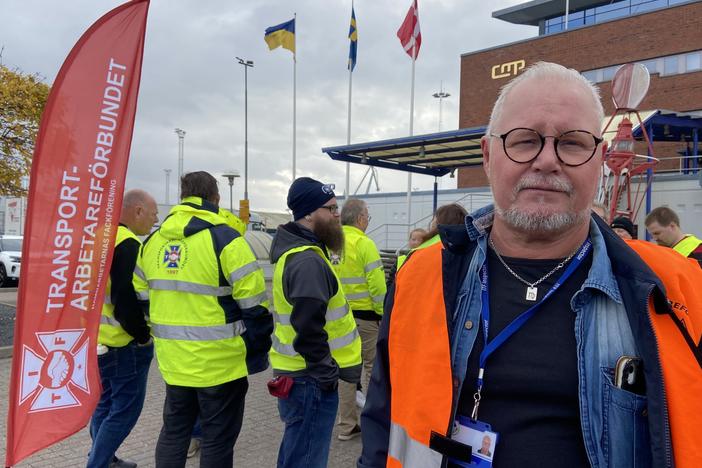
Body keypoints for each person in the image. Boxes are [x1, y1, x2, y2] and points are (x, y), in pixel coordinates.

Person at [359, 62, 702, 468]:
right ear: (488, 155)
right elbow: (384, 420)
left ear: (601, 160)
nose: (546, 160)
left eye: (572, 143)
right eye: (524, 141)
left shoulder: (676, 288)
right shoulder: (421, 275)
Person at [135, 171, 273, 468]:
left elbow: (142, 300)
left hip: (173, 364)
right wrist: (254, 351)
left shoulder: (151, 243)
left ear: (183, 197)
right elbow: (256, 308)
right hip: (221, 365)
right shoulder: (227, 240)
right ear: (216, 199)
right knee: (217, 440)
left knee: (174, 433)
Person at [269, 177, 362, 468]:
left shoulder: (304, 253)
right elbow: (308, 328)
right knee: (306, 459)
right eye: (331, 209)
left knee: (297, 453)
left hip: (302, 377)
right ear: (309, 213)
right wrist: (326, 374)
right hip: (309, 380)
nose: (337, 215)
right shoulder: (307, 260)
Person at [88, 189, 158, 468]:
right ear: (138, 210)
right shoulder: (127, 243)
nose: (154, 221)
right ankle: (98, 464)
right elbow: (123, 297)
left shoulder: (97, 239)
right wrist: (142, 335)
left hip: (98, 340)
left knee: (104, 404)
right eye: (153, 215)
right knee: (125, 410)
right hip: (123, 342)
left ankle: (105, 459)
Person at [335, 198, 387, 441]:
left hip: (338, 318)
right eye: (367, 217)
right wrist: (382, 313)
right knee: (372, 368)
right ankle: (373, 423)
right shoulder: (365, 244)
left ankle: (346, 426)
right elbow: (377, 285)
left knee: (346, 370)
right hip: (366, 318)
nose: (368, 221)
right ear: (359, 219)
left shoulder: (330, 243)